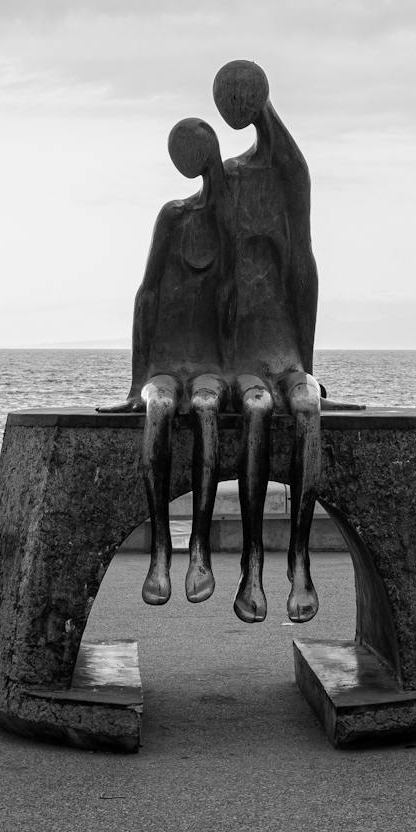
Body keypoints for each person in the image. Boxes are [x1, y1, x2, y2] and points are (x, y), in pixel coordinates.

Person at [211, 60, 332, 624]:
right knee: (257, 411)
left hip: (281, 348)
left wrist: (305, 366)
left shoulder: (287, 175)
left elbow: (302, 269)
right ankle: (252, 562)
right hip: (240, 355)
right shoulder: (228, 181)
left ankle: (300, 559)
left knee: (305, 409)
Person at [98, 118, 229, 606]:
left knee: (209, 413)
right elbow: (147, 295)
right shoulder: (174, 217)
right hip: (164, 365)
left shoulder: (235, 231)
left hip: (212, 367)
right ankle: (159, 549)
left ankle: (199, 549)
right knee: (157, 412)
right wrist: (136, 384)